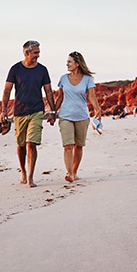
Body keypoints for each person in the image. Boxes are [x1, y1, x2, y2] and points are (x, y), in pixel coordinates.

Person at [0, 40, 57, 187]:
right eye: (35, 52)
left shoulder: (42, 70)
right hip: (19, 112)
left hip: (37, 111)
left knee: (31, 143)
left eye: (39, 52)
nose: (38, 55)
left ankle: (31, 177)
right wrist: (3, 110)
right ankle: (23, 172)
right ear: (26, 52)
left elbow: (48, 91)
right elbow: (7, 90)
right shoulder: (15, 69)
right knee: (21, 145)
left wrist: (53, 111)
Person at [56, 51, 102, 182]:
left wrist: (97, 110)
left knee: (79, 145)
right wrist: (53, 112)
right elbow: (60, 98)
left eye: (70, 62)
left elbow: (92, 97)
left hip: (82, 116)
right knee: (68, 145)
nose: (67, 64)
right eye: (67, 61)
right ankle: (69, 173)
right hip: (65, 116)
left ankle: (74, 172)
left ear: (77, 63)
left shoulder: (88, 79)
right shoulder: (63, 79)